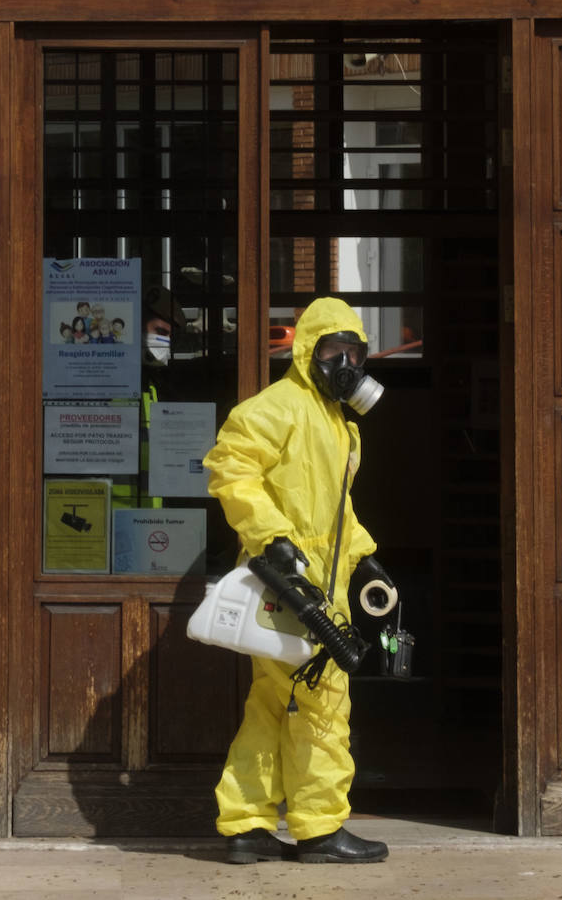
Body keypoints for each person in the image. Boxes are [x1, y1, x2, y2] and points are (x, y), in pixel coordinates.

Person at [204, 296, 393, 865]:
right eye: (333, 352)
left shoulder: (339, 425)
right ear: (308, 352)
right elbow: (230, 466)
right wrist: (270, 537)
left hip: (319, 586)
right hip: (288, 584)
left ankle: (246, 824)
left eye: (354, 354)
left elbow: (338, 514)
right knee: (322, 704)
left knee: (271, 703)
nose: (346, 365)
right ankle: (319, 828)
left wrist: (364, 559)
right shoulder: (278, 407)